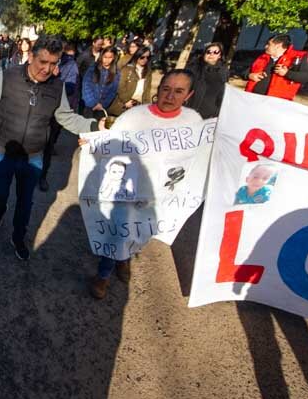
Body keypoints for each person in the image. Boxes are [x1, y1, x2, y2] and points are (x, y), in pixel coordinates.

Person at [0, 35, 101, 260]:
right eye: (43, 62)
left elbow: (67, 118)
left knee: (25, 202)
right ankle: (0, 210)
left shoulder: (57, 88)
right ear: (30, 57)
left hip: (34, 156)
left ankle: (18, 236)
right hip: (2, 151)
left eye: (53, 63)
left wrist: (95, 126)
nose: (47, 69)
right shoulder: (6, 77)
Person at [84, 70, 202, 298]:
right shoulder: (134, 116)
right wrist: (93, 140)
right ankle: (103, 275)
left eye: (179, 91)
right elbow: (111, 144)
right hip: (126, 189)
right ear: (158, 89)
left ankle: (124, 259)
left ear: (189, 95)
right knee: (119, 230)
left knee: (139, 231)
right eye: (166, 89)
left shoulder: (193, 122)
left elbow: (196, 158)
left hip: (160, 195)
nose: (170, 96)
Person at [38, 40, 80, 192]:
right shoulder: (41, 60)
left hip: (55, 111)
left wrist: (56, 78)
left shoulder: (70, 65)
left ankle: (42, 176)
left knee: (48, 147)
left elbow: (70, 87)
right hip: (37, 110)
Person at [245, 33, 308, 101]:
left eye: (269, 44)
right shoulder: (263, 57)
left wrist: (287, 73)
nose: (265, 46)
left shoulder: (297, 58)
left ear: (278, 46)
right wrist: (249, 75)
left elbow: (307, 76)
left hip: (276, 103)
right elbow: (245, 72)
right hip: (252, 98)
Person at [107, 46, 154, 117]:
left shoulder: (148, 72)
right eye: (142, 57)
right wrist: (126, 101)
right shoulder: (127, 69)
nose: (145, 59)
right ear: (137, 56)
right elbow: (120, 87)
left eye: (148, 57)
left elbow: (147, 91)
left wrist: (146, 107)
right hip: (123, 105)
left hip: (138, 106)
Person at [186, 42, 229, 118]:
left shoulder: (223, 72)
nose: (211, 54)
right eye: (208, 52)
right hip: (189, 110)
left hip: (209, 115)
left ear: (220, 56)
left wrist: (217, 113)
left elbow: (222, 94)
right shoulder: (193, 68)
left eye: (216, 52)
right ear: (204, 54)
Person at [81, 46, 121, 119]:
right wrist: (92, 103)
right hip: (90, 106)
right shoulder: (93, 68)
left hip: (103, 108)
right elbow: (86, 86)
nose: (107, 60)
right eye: (105, 57)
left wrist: (103, 104)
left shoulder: (116, 73)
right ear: (101, 56)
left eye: (110, 57)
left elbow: (113, 91)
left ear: (114, 58)